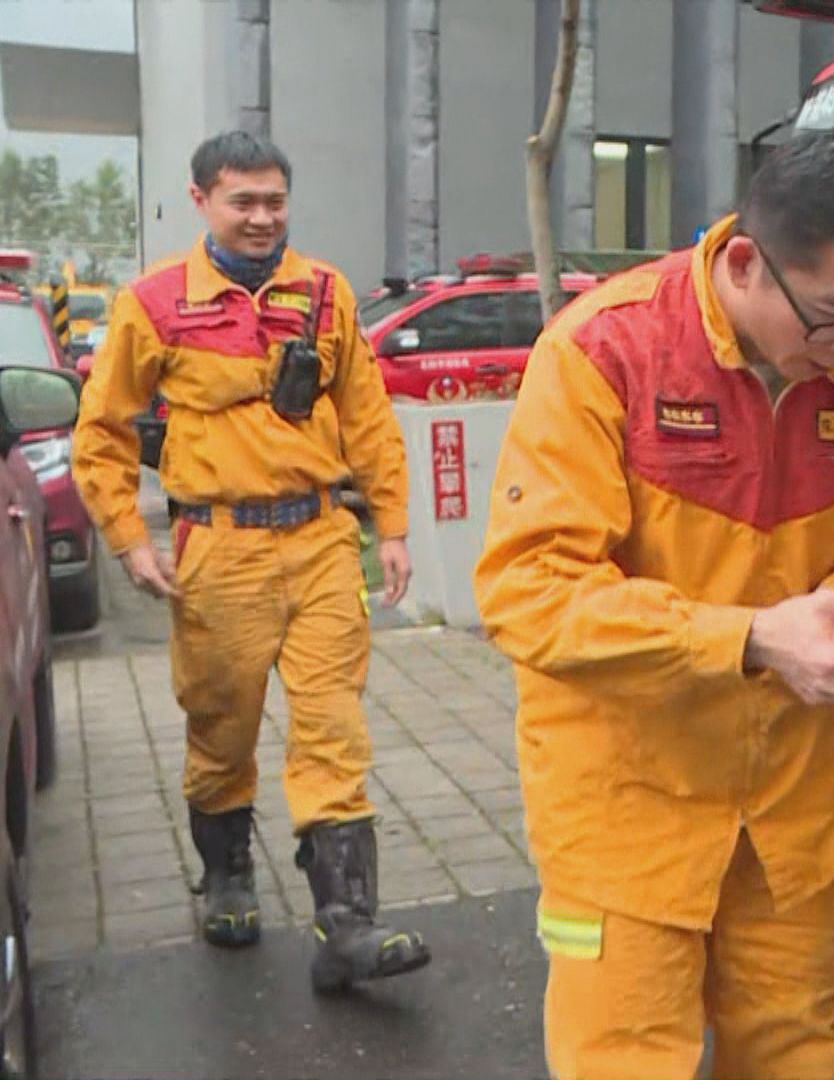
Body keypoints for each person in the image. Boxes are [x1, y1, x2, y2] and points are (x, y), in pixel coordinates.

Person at [472, 127, 834, 1080]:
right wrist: (756, 638)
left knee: (809, 1055)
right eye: (833, 319)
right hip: (626, 812)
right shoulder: (605, 350)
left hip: (790, 812)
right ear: (745, 262)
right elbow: (530, 593)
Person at [72, 131, 429, 991]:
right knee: (221, 724)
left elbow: (370, 416)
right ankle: (228, 878)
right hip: (217, 548)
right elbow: (103, 433)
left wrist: (394, 527)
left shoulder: (327, 293)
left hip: (318, 542)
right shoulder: (153, 302)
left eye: (274, 200)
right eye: (244, 201)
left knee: (333, 728)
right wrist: (128, 539)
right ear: (201, 201)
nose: (263, 216)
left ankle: (347, 924)